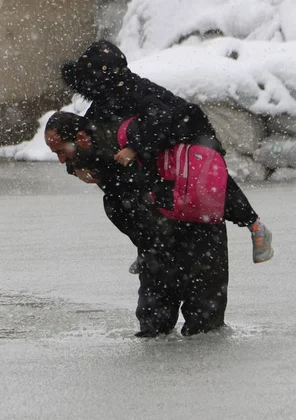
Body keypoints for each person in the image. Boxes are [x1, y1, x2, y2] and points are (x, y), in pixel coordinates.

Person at [60, 40, 273, 272]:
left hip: (190, 136)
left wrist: (133, 147)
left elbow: (159, 117)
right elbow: (86, 135)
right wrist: (76, 165)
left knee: (210, 186)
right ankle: (147, 248)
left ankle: (255, 225)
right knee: (117, 202)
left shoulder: (136, 90)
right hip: (159, 149)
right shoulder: (103, 102)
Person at [45, 111, 229, 337]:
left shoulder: (129, 141)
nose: (61, 160)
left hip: (196, 229)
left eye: (62, 152)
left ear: (82, 138)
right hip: (156, 241)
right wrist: (74, 167)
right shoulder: (92, 152)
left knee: (205, 328)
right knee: (154, 325)